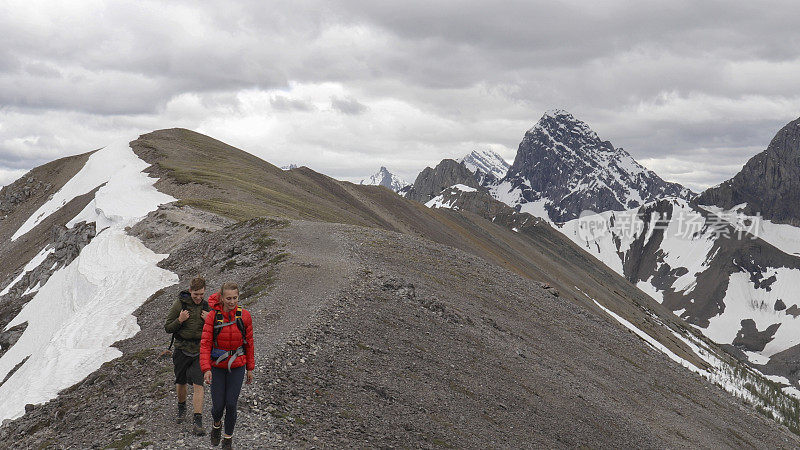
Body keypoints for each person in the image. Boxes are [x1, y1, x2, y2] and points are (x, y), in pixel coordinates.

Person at [200, 282, 254, 448]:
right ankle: (216, 424)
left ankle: (227, 439)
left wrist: (250, 368)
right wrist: (206, 369)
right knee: (217, 407)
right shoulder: (212, 316)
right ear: (221, 298)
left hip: (237, 365)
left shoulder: (244, 316)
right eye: (228, 298)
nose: (232, 301)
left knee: (231, 404)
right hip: (217, 366)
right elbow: (205, 343)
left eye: (235, 298)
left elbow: (249, 343)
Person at [164, 276, 210, 436]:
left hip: (200, 351)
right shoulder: (180, 304)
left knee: (199, 384)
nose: (198, 297)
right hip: (181, 349)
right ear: (190, 291)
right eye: (196, 294)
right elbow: (168, 327)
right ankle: (181, 407)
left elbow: (216, 330)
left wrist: (210, 320)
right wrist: (179, 320)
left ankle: (198, 420)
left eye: (201, 294)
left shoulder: (206, 307)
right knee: (181, 381)